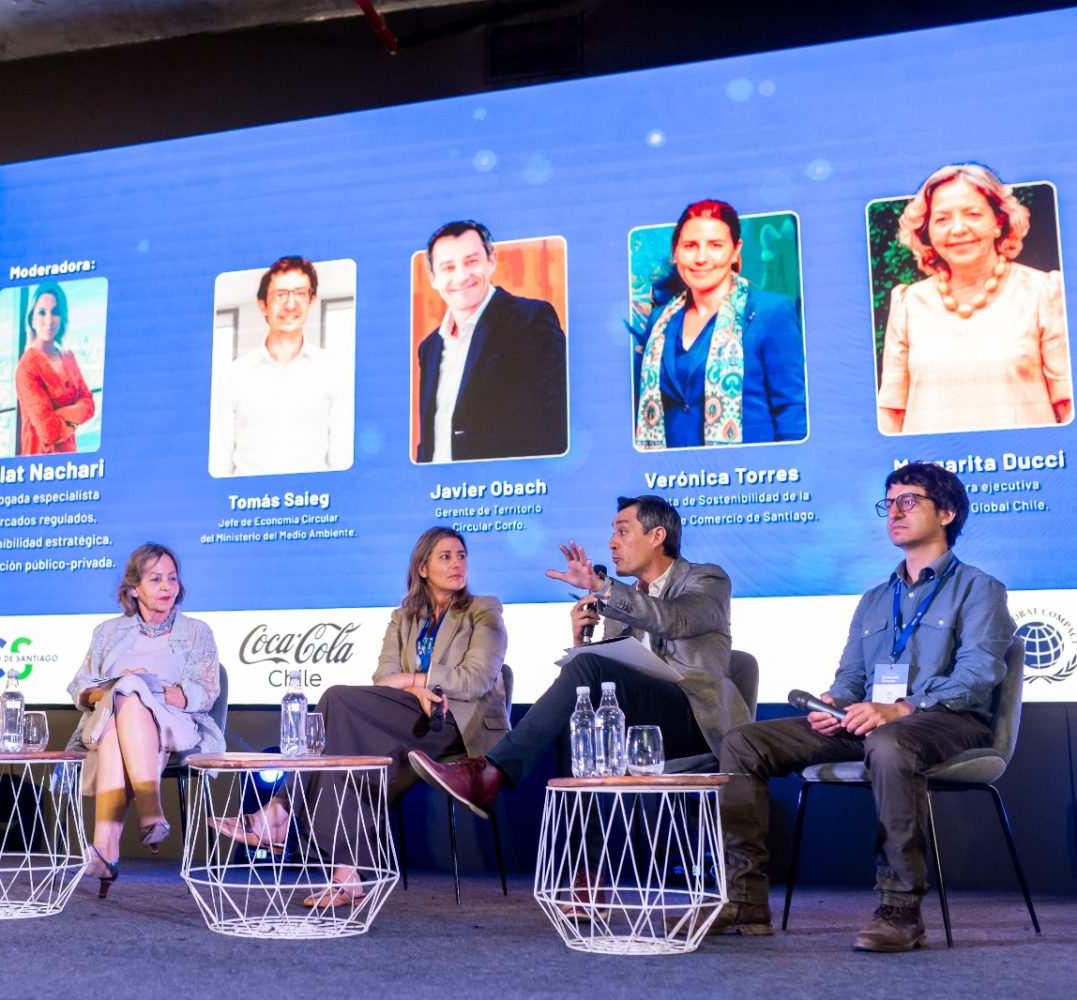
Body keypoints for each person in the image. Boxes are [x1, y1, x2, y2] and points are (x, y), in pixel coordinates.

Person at [711, 462, 1014, 952]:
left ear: (947, 513)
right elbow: (853, 677)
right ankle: (745, 901)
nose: (894, 512)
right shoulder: (875, 599)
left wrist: (904, 708)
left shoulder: (979, 588)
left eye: (909, 501)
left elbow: (977, 675)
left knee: (890, 743)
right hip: (872, 722)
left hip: (949, 721)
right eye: (888, 503)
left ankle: (901, 909)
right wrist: (835, 702)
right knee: (745, 741)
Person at [211, 527, 508, 906]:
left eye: (461, 556)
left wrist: (413, 679)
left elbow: (475, 679)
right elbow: (384, 678)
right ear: (422, 568)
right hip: (412, 717)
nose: (456, 564)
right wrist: (413, 690)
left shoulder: (483, 610)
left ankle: (282, 813)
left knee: (336, 701)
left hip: (458, 726)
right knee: (345, 748)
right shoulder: (404, 618)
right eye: (445, 557)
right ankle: (344, 873)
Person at [411, 495, 749, 819]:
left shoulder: (706, 579)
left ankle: (490, 774)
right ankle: (582, 852)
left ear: (657, 536)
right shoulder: (620, 601)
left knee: (587, 675)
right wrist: (579, 641)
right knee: (579, 706)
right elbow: (610, 671)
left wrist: (604, 589)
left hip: (694, 724)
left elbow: (677, 620)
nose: (612, 543)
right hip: (635, 722)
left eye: (622, 532)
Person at [66, 543, 224, 897]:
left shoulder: (196, 631)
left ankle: (105, 848)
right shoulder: (107, 632)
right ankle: (148, 811)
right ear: (134, 588)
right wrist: (115, 690)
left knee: (132, 692)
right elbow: (81, 689)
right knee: (122, 700)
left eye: (172, 578)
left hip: (173, 724)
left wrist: (149, 689)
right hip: (110, 720)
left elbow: (204, 692)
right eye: (156, 579)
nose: (168, 586)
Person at [877, 163, 1072, 434]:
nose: (958, 229)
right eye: (942, 219)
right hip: (931, 462)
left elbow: (1068, 404)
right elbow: (891, 414)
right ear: (926, 231)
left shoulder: (1043, 292)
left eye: (973, 214)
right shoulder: (908, 303)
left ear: (999, 221)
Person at [634, 199, 807, 449]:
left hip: (747, 470)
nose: (701, 258)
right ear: (675, 250)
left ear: (736, 250)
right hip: (670, 471)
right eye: (690, 246)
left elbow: (792, 410)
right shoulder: (660, 320)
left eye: (715, 245)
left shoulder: (770, 312)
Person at [414, 221, 568, 463]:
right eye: (448, 267)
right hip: (441, 486)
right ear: (433, 277)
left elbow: (555, 421)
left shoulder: (531, 320)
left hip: (506, 484)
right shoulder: (429, 348)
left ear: (491, 261)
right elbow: (431, 436)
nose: (461, 276)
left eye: (471, 261)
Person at [210, 256, 353, 476]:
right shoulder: (233, 376)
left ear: (311, 301)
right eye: (280, 295)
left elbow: (341, 459)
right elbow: (219, 461)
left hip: (313, 496)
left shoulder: (334, 372)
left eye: (300, 293)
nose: (290, 304)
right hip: (247, 496)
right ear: (263, 306)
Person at [15, 281, 96, 454]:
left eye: (55, 312)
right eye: (42, 313)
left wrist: (59, 416)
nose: (49, 320)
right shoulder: (27, 366)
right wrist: (75, 420)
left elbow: (89, 405)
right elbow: (48, 432)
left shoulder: (68, 357)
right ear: (32, 319)